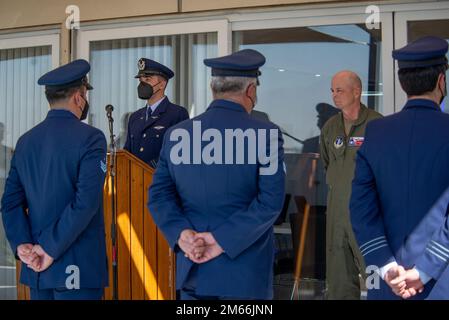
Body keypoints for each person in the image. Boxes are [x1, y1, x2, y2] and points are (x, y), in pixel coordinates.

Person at [148, 49, 286, 300]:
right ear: (251, 91)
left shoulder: (178, 134)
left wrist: (183, 235)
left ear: (213, 88)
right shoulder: (266, 134)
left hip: (193, 269)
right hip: (244, 275)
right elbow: (270, 203)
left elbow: (158, 196)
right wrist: (220, 240)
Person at [350, 36, 449, 300]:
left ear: (403, 83)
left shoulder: (377, 131)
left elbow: (360, 210)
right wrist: (425, 269)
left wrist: (387, 267)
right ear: (441, 80)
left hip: (388, 285)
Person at [1, 59, 108, 300]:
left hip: (37, 268)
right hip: (77, 268)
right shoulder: (91, 138)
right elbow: (86, 202)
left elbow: (10, 203)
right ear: (79, 97)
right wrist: (49, 248)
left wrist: (23, 246)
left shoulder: (26, 141)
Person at [320, 70, 383, 299]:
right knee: (339, 284)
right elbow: (328, 165)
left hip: (367, 214)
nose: (334, 96)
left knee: (377, 279)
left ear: (357, 92)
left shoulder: (377, 124)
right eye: (332, 90)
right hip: (337, 214)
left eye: (340, 90)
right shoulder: (330, 127)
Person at [124, 58, 189, 168]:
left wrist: (149, 169)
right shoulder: (135, 117)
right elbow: (127, 153)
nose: (142, 84)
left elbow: (179, 153)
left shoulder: (177, 114)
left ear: (162, 84)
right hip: (135, 182)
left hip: (161, 181)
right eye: (141, 81)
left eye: (147, 79)